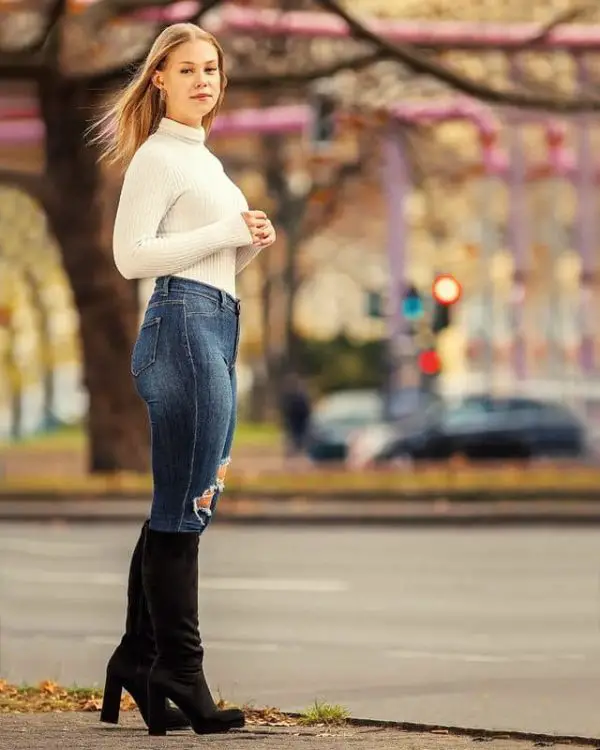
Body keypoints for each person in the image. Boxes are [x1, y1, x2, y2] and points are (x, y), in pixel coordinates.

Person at [90, 22, 276, 736]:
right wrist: (225, 233)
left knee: (180, 501)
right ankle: (181, 671)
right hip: (183, 330)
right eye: (188, 69)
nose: (204, 80)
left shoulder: (208, 163)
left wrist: (247, 245)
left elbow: (205, 259)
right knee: (187, 509)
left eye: (212, 69)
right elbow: (132, 257)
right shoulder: (159, 159)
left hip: (212, 321)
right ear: (158, 79)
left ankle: (137, 660)